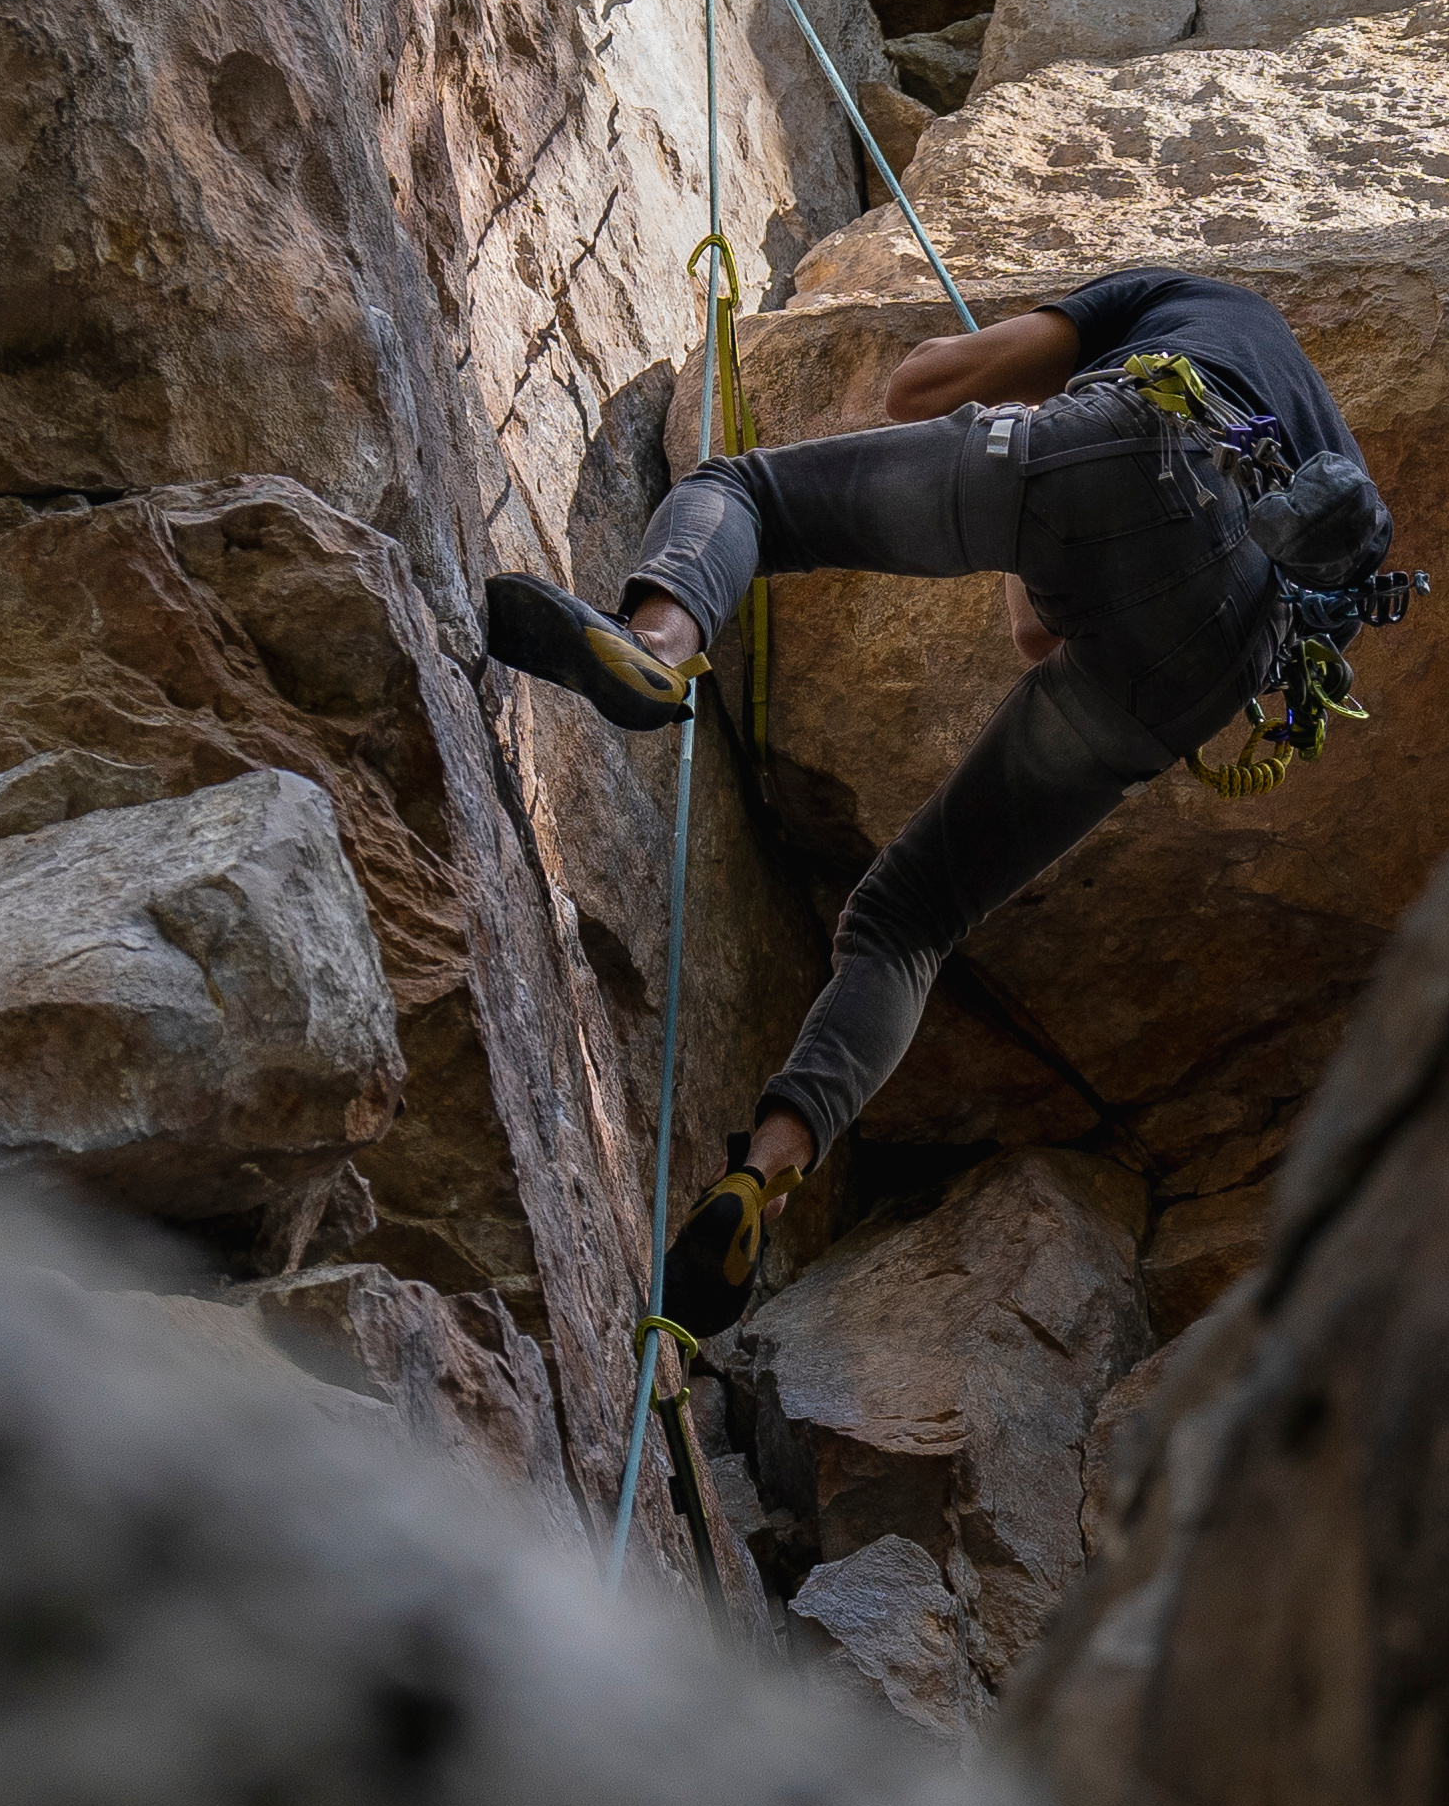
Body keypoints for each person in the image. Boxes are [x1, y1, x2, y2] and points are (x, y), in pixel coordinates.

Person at [476, 266, 1397, 1324]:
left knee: (748, 496)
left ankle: (657, 640)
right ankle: (765, 1173)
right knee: (911, 919)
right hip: (1209, 665)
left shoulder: (1197, 299)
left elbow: (919, 384)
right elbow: (1038, 637)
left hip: (1146, 451)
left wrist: (1033, 415)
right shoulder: (1335, 513)